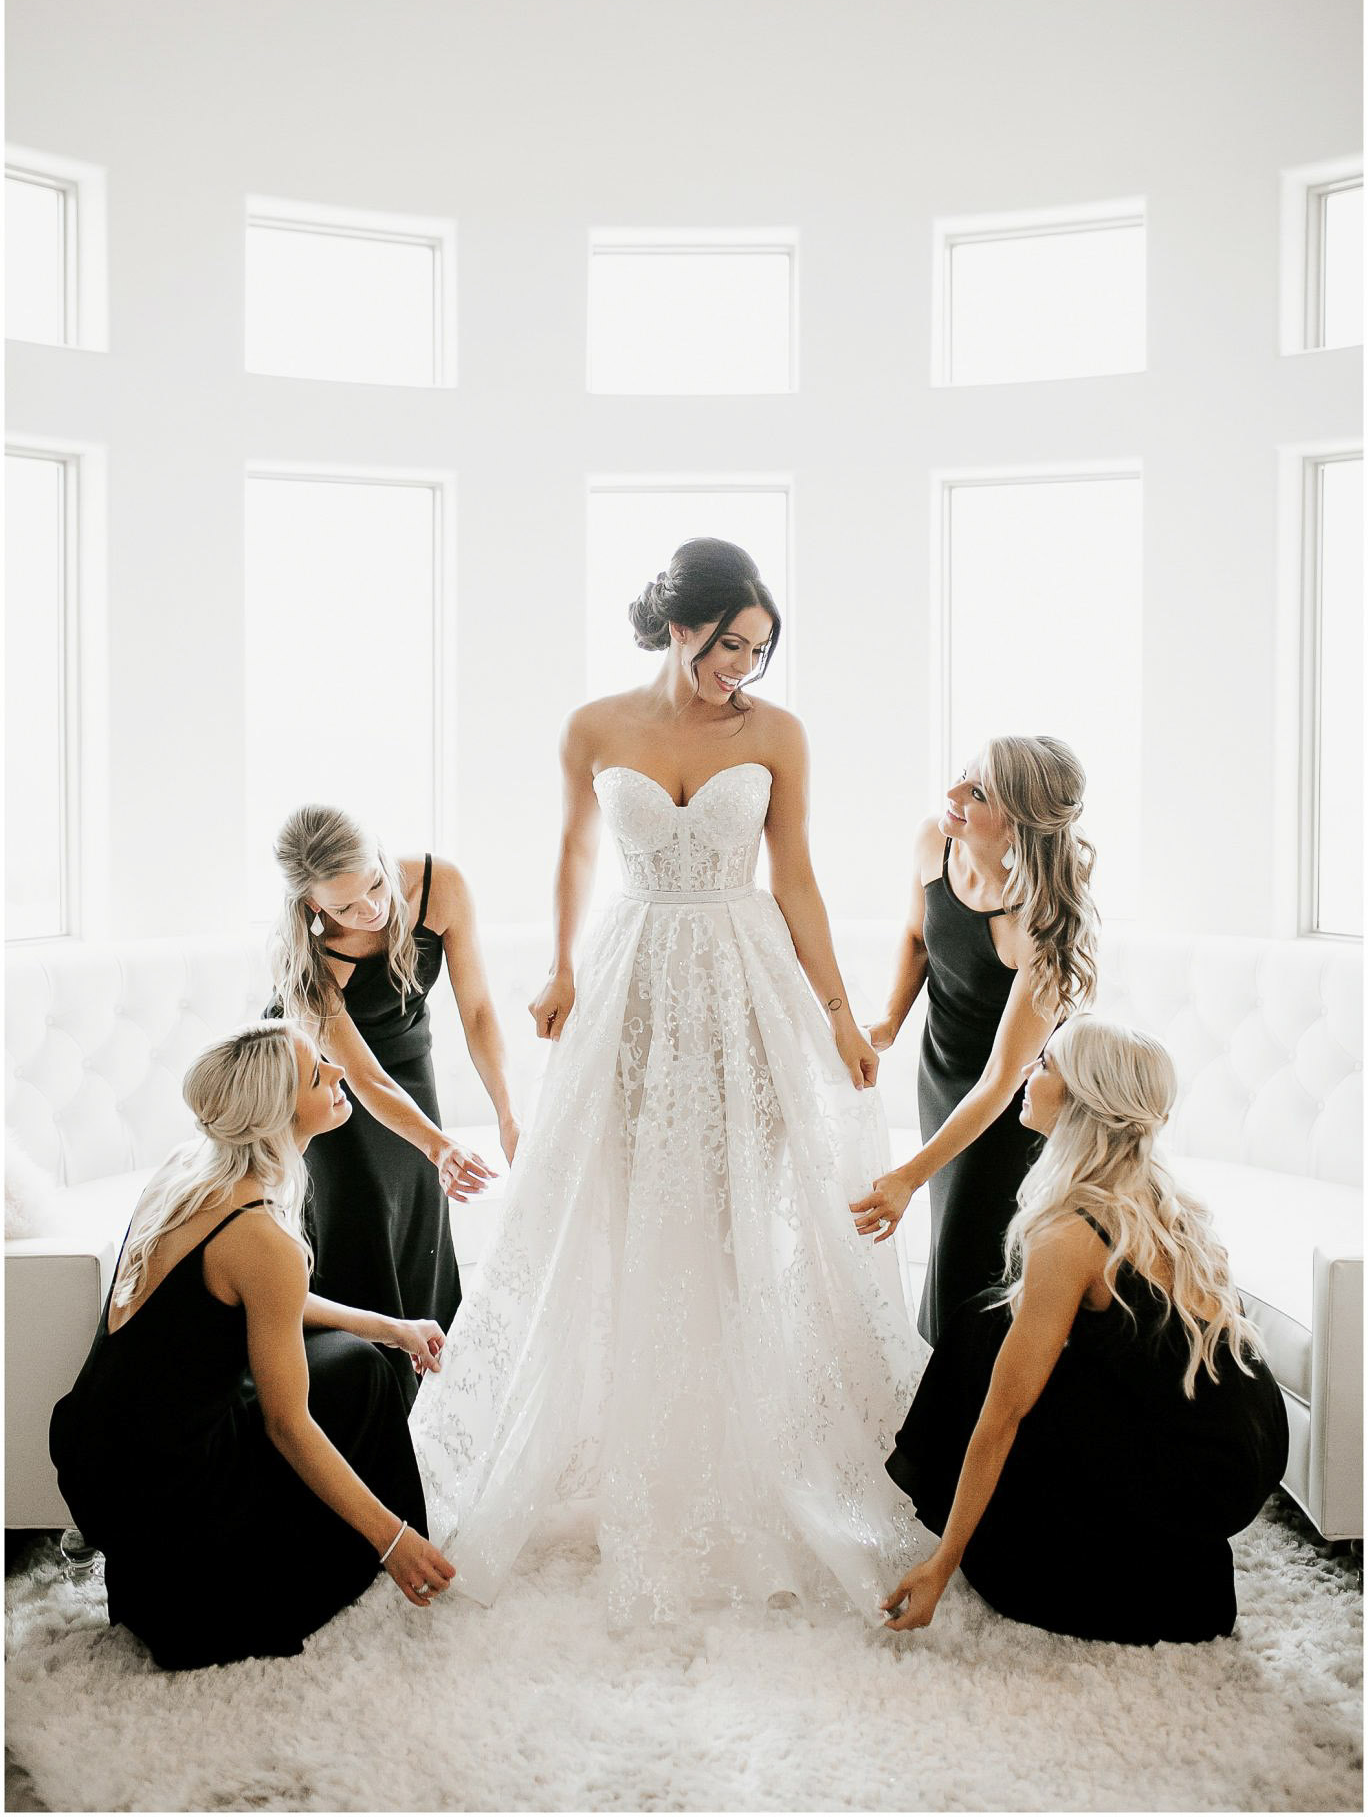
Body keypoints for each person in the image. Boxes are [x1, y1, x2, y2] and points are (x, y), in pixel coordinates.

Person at [411, 538, 921, 1627]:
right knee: (634, 1213)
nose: (745, 665)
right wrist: (555, 962)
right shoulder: (595, 725)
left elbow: (795, 872)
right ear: (680, 623)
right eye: (731, 641)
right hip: (632, 977)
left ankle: (750, 1455)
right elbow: (576, 853)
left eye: (760, 647)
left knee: (744, 1212)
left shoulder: (776, 733)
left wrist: (838, 1012)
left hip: (746, 982)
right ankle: (638, 1447)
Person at [49, 1021, 456, 1671]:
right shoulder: (259, 1235)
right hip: (173, 1489)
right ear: (277, 1113)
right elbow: (287, 1425)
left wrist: (393, 1327)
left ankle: (386, 1525)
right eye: (319, 1074)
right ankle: (405, 1549)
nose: (340, 1074)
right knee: (362, 1381)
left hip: (110, 1456)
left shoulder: (190, 1168)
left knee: (358, 1360)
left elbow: (271, 1300)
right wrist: (389, 1539)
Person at [881, 1015, 1289, 1645]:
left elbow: (1003, 1413)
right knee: (992, 1316)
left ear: (1080, 1101)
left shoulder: (1073, 1228)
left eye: (1044, 1064)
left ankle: (1074, 1551)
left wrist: (946, 1563)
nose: (1026, 1073)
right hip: (1229, 1448)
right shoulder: (1148, 1191)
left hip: (1192, 1473)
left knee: (981, 1345)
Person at [851, 737, 1098, 1344]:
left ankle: (971, 1415)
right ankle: (949, 1407)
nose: (952, 794)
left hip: (1013, 1110)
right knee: (948, 1244)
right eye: (963, 776)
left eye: (977, 791)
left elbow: (1001, 1081)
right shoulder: (936, 841)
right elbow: (917, 938)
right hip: (941, 1070)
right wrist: (887, 1024)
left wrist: (907, 1174)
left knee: (971, 1258)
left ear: (1018, 826)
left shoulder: (1048, 930)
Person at [271, 807, 519, 1406]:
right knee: (358, 1215)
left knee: (421, 1217)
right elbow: (363, 1080)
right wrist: (441, 1142)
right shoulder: (308, 962)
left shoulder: (441, 886)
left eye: (376, 886)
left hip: (409, 1055)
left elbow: (480, 1012)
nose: (372, 911)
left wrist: (508, 1114)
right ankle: (371, 1405)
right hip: (322, 1082)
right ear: (313, 909)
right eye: (345, 907)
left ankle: (436, 1410)